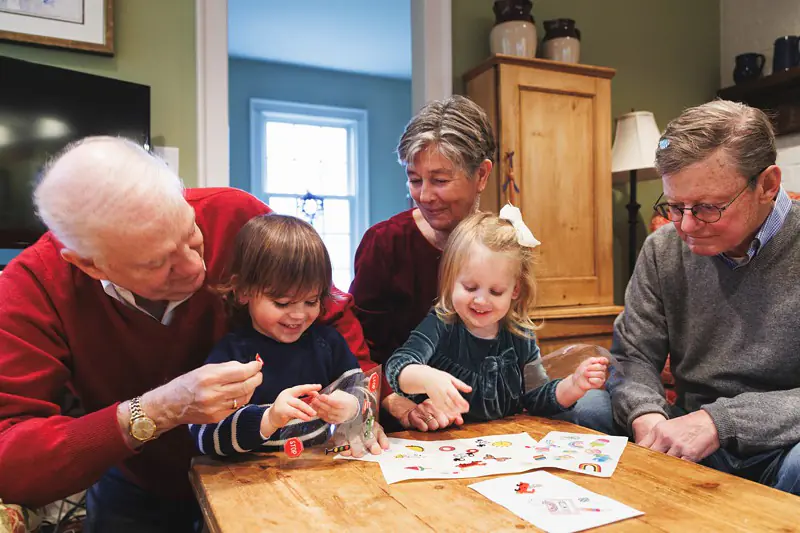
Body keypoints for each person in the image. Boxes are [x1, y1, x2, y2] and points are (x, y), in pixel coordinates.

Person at [0, 137, 387, 532]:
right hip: (139, 488)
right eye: (157, 263)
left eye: (191, 234)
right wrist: (154, 411)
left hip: (262, 475)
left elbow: (333, 313)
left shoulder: (235, 215)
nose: (193, 269)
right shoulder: (33, 287)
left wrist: (362, 408)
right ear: (90, 264)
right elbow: (10, 457)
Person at [351, 95, 612, 433]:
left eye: (440, 180)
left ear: (482, 175)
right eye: (415, 179)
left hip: (499, 425)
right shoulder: (385, 245)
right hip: (412, 416)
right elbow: (359, 352)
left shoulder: (504, 249)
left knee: (595, 409)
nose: (424, 194)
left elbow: (531, 382)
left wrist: (571, 385)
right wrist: (398, 402)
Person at [608, 100, 800, 496]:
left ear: (767, 184)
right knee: (588, 408)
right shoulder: (663, 249)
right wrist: (647, 417)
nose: (687, 225)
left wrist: (720, 422)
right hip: (683, 429)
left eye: (708, 208)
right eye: (675, 207)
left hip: (782, 445)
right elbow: (632, 357)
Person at [385, 208, 609, 422]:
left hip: (503, 446)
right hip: (445, 443)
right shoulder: (441, 322)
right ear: (451, 280)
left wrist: (574, 385)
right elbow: (398, 365)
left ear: (515, 290)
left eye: (496, 291)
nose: (481, 300)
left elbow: (537, 397)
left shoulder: (520, 334)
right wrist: (426, 378)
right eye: (470, 287)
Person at [190, 214, 383, 458]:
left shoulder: (328, 343)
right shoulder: (232, 355)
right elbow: (203, 436)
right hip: (244, 481)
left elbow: (364, 392)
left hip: (317, 473)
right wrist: (268, 419)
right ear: (243, 292)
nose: (299, 315)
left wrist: (352, 407)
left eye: (311, 301)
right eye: (282, 303)